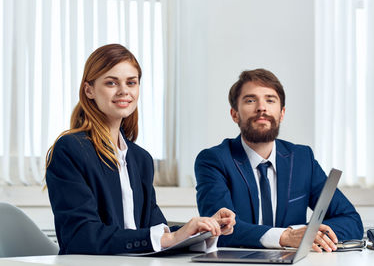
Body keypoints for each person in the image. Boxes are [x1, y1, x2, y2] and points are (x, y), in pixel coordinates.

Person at [45, 44, 235, 255]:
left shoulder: (140, 159)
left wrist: (201, 230)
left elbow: (150, 230)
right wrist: (170, 237)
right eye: (111, 82)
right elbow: (81, 236)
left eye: (131, 82)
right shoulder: (71, 149)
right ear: (89, 90)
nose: (124, 91)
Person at [194, 69, 363, 252]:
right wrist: (285, 237)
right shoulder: (213, 160)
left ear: (281, 113)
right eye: (250, 100)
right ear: (234, 114)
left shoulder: (302, 158)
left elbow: (351, 220)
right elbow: (220, 229)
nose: (261, 107)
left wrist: (302, 234)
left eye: (270, 100)